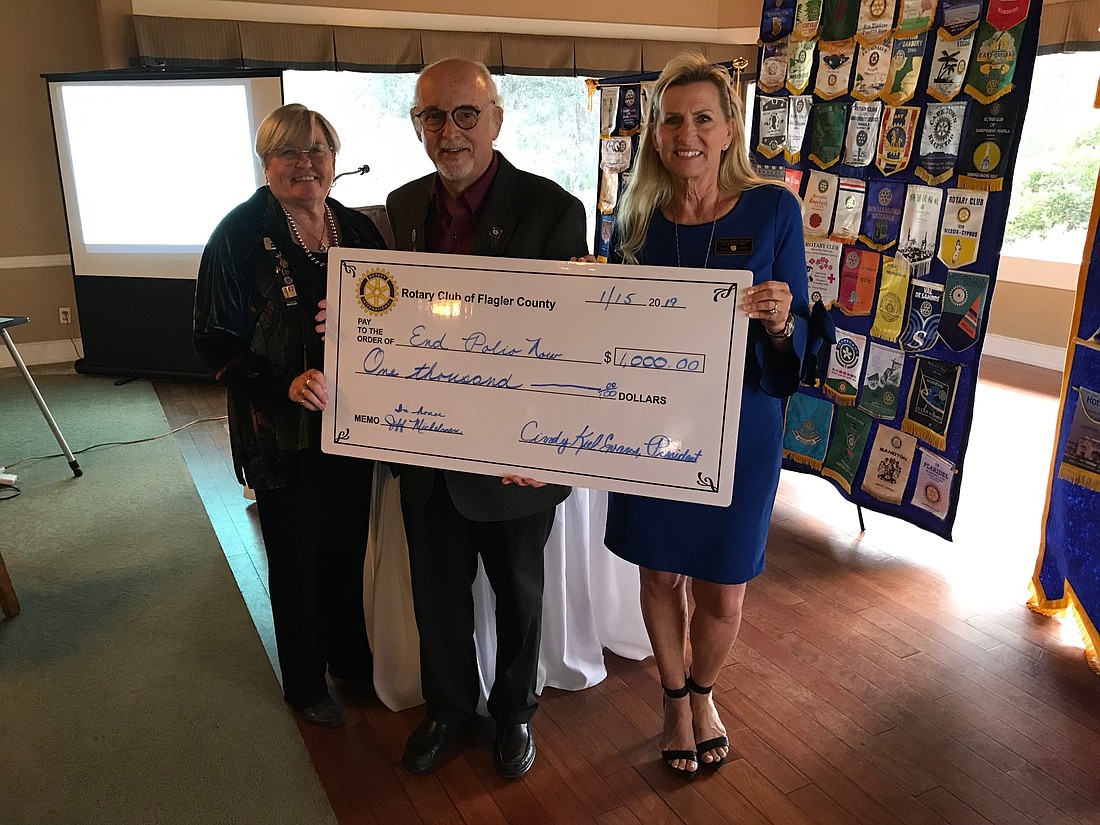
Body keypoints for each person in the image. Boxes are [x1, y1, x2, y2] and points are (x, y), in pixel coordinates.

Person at [603, 53, 810, 778]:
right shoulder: (633, 217)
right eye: (671, 119)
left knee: (724, 584)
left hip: (741, 426)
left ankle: (704, 692)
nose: (684, 133)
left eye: (701, 118)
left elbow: (798, 342)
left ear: (729, 130)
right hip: (649, 425)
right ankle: (671, 699)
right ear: (656, 132)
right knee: (660, 575)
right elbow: (607, 328)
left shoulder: (773, 208)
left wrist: (782, 322)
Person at [387, 57, 588, 779]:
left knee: (519, 599)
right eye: (431, 116)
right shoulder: (403, 207)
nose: (450, 131)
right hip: (429, 449)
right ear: (417, 127)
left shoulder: (553, 210)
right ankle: (448, 710)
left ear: (497, 120)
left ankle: (513, 716)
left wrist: (548, 440)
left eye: (465, 114)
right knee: (437, 597)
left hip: (516, 458)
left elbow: (572, 342)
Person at [194, 104, 386, 728]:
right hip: (279, 429)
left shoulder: (359, 229)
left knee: (348, 546)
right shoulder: (238, 235)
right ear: (266, 162)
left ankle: (351, 661)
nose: (305, 164)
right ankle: (306, 682)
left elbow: (396, 318)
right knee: (296, 555)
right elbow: (214, 339)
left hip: (355, 423)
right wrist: (283, 382)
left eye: (317, 151)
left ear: (335, 159)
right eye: (289, 153)